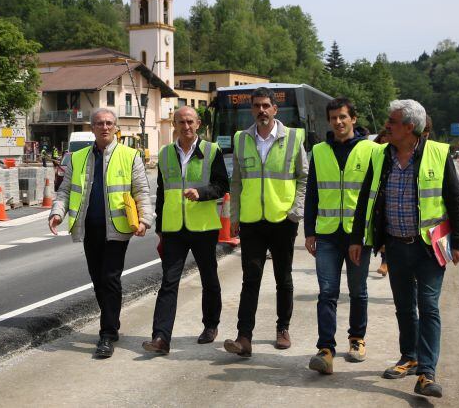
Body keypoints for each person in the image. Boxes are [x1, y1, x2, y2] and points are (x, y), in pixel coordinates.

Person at [349, 100, 459, 398]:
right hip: (395, 246)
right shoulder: (381, 156)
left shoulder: (438, 154)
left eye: (393, 121)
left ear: (410, 128)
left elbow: (454, 199)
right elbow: (365, 200)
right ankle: (409, 356)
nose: (386, 125)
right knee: (404, 306)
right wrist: (356, 239)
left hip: (428, 247)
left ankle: (427, 372)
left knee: (428, 307)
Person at [48, 108, 153, 358]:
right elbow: (65, 191)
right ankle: (111, 325)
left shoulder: (130, 155)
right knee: (98, 280)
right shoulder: (78, 157)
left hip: (117, 228)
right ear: (92, 128)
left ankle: (107, 334)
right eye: (99, 123)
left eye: (108, 123)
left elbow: (141, 191)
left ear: (115, 127)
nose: (104, 127)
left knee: (110, 278)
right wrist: (57, 213)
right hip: (89, 227)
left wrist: (145, 220)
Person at [223, 87, 308, 357]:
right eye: (257, 106)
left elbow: (304, 178)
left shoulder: (293, 138)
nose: (261, 110)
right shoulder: (241, 139)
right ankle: (244, 337)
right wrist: (234, 216)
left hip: (283, 220)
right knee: (251, 280)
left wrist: (296, 211)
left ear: (275, 109)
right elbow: (236, 181)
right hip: (251, 222)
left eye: (266, 106)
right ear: (252, 109)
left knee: (283, 278)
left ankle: (282, 328)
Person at [142, 106, 229, 355]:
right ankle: (160, 337)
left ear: (198, 123)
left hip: (203, 226)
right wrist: (160, 228)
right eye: (181, 122)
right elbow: (161, 192)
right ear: (174, 124)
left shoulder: (212, 151)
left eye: (190, 121)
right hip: (173, 229)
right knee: (168, 282)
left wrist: (201, 194)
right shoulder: (166, 153)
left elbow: (221, 185)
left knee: (209, 278)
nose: (186, 126)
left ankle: (211, 325)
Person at [304, 97, 376, 374]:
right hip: (328, 234)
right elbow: (312, 194)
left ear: (353, 119)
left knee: (358, 291)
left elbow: (375, 195)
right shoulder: (319, 151)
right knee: (327, 292)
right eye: (333, 118)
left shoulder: (371, 150)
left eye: (343, 117)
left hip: (358, 235)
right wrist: (309, 231)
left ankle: (356, 338)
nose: (338, 122)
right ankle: (325, 349)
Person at [372, 129, 389, 277]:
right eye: (382, 142)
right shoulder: (374, 155)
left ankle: (386, 263)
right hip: (378, 201)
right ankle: (384, 262)